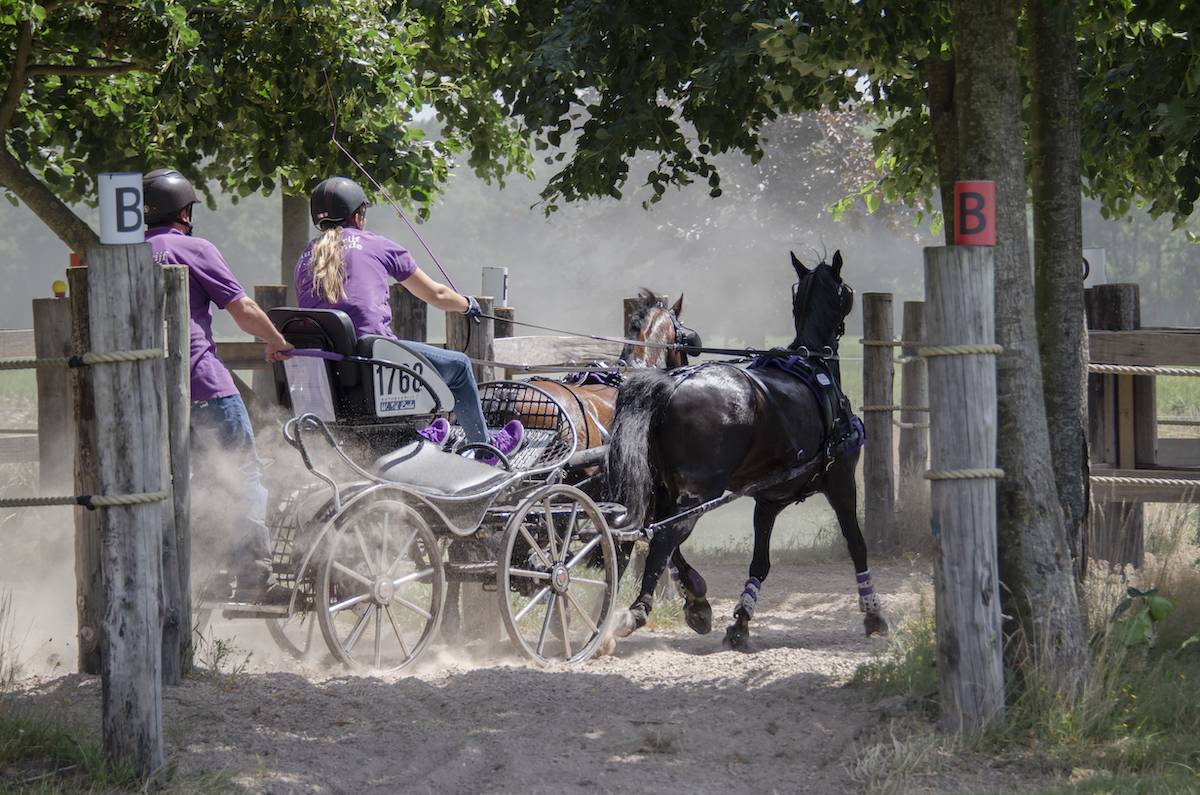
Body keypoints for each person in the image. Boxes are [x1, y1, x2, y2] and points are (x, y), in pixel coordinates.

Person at [143, 168, 294, 605]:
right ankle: (254, 575)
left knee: (198, 483)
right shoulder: (195, 249)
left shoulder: (130, 254)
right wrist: (276, 340)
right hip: (205, 386)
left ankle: (208, 575)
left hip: (156, 396)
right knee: (241, 475)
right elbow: (242, 309)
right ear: (184, 212)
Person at [294, 176, 523, 460]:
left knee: (397, 352)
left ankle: (414, 436)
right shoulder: (378, 246)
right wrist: (467, 305)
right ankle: (485, 448)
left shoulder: (305, 258)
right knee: (460, 367)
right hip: (375, 366)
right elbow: (437, 294)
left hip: (329, 378)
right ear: (358, 215)